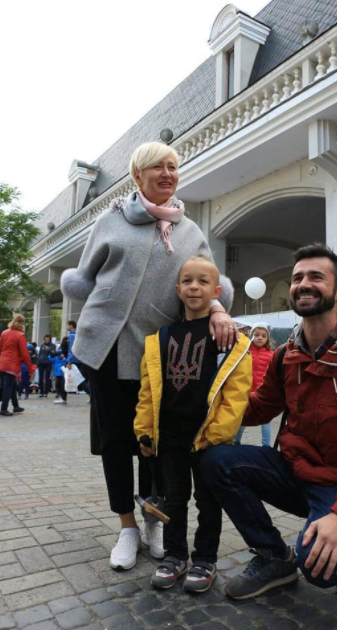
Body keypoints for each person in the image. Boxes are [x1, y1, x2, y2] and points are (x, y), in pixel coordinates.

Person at [61, 141, 238, 571]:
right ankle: (127, 526)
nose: (167, 173)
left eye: (172, 166)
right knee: (115, 440)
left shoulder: (190, 232)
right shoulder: (110, 220)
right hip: (104, 348)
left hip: (159, 355)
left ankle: (154, 520)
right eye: (157, 167)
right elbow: (82, 279)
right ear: (137, 176)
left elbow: (207, 282)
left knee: (156, 444)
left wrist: (217, 309)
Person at [202, 244, 337, 601]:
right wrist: (206, 400)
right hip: (294, 472)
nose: (303, 284)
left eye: (316, 277)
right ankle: (274, 558)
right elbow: (258, 409)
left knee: (318, 569)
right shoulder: (286, 356)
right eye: (298, 278)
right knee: (215, 460)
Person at [135, 256, 252, 592]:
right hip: (170, 438)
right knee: (173, 499)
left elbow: (236, 394)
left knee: (208, 501)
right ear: (178, 290)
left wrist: (218, 435)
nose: (194, 287)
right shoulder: (160, 338)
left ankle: (205, 559)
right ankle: (175, 555)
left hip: (207, 440)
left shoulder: (228, 339)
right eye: (187, 281)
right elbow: (148, 390)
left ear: (216, 292)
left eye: (203, 282)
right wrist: (144, 430)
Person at [234, 323, 273, 447]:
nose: (260, 338)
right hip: (246, 392)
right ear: (251, 336)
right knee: (243, 419)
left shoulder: (271, 355)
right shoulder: (245, 352)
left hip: (263, 394)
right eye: (256, 335)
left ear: (267, 338)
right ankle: (236, 442)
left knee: (266, 421)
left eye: (263, 336)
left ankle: (266, 446)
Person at [0, 315, 36, 416]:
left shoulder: (4, 333)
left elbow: (0, 348)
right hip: (12, 365)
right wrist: (30, 369)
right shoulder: (20, 335)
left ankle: (16, 406)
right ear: (22, 323)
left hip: (2, 363)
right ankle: (3, 409)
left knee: (12, 386)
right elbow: (25, 354)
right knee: (8, 387)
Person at [66, 321, 90, 395]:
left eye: (67, 325)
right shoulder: (79, 334)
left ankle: (90, 393)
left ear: (71, 326)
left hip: (74, 360)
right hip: (80, 358)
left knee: (79, 379)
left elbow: (72, 349)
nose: (67, 327)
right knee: (80, 378)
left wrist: (69, 361)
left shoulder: (71, 335)